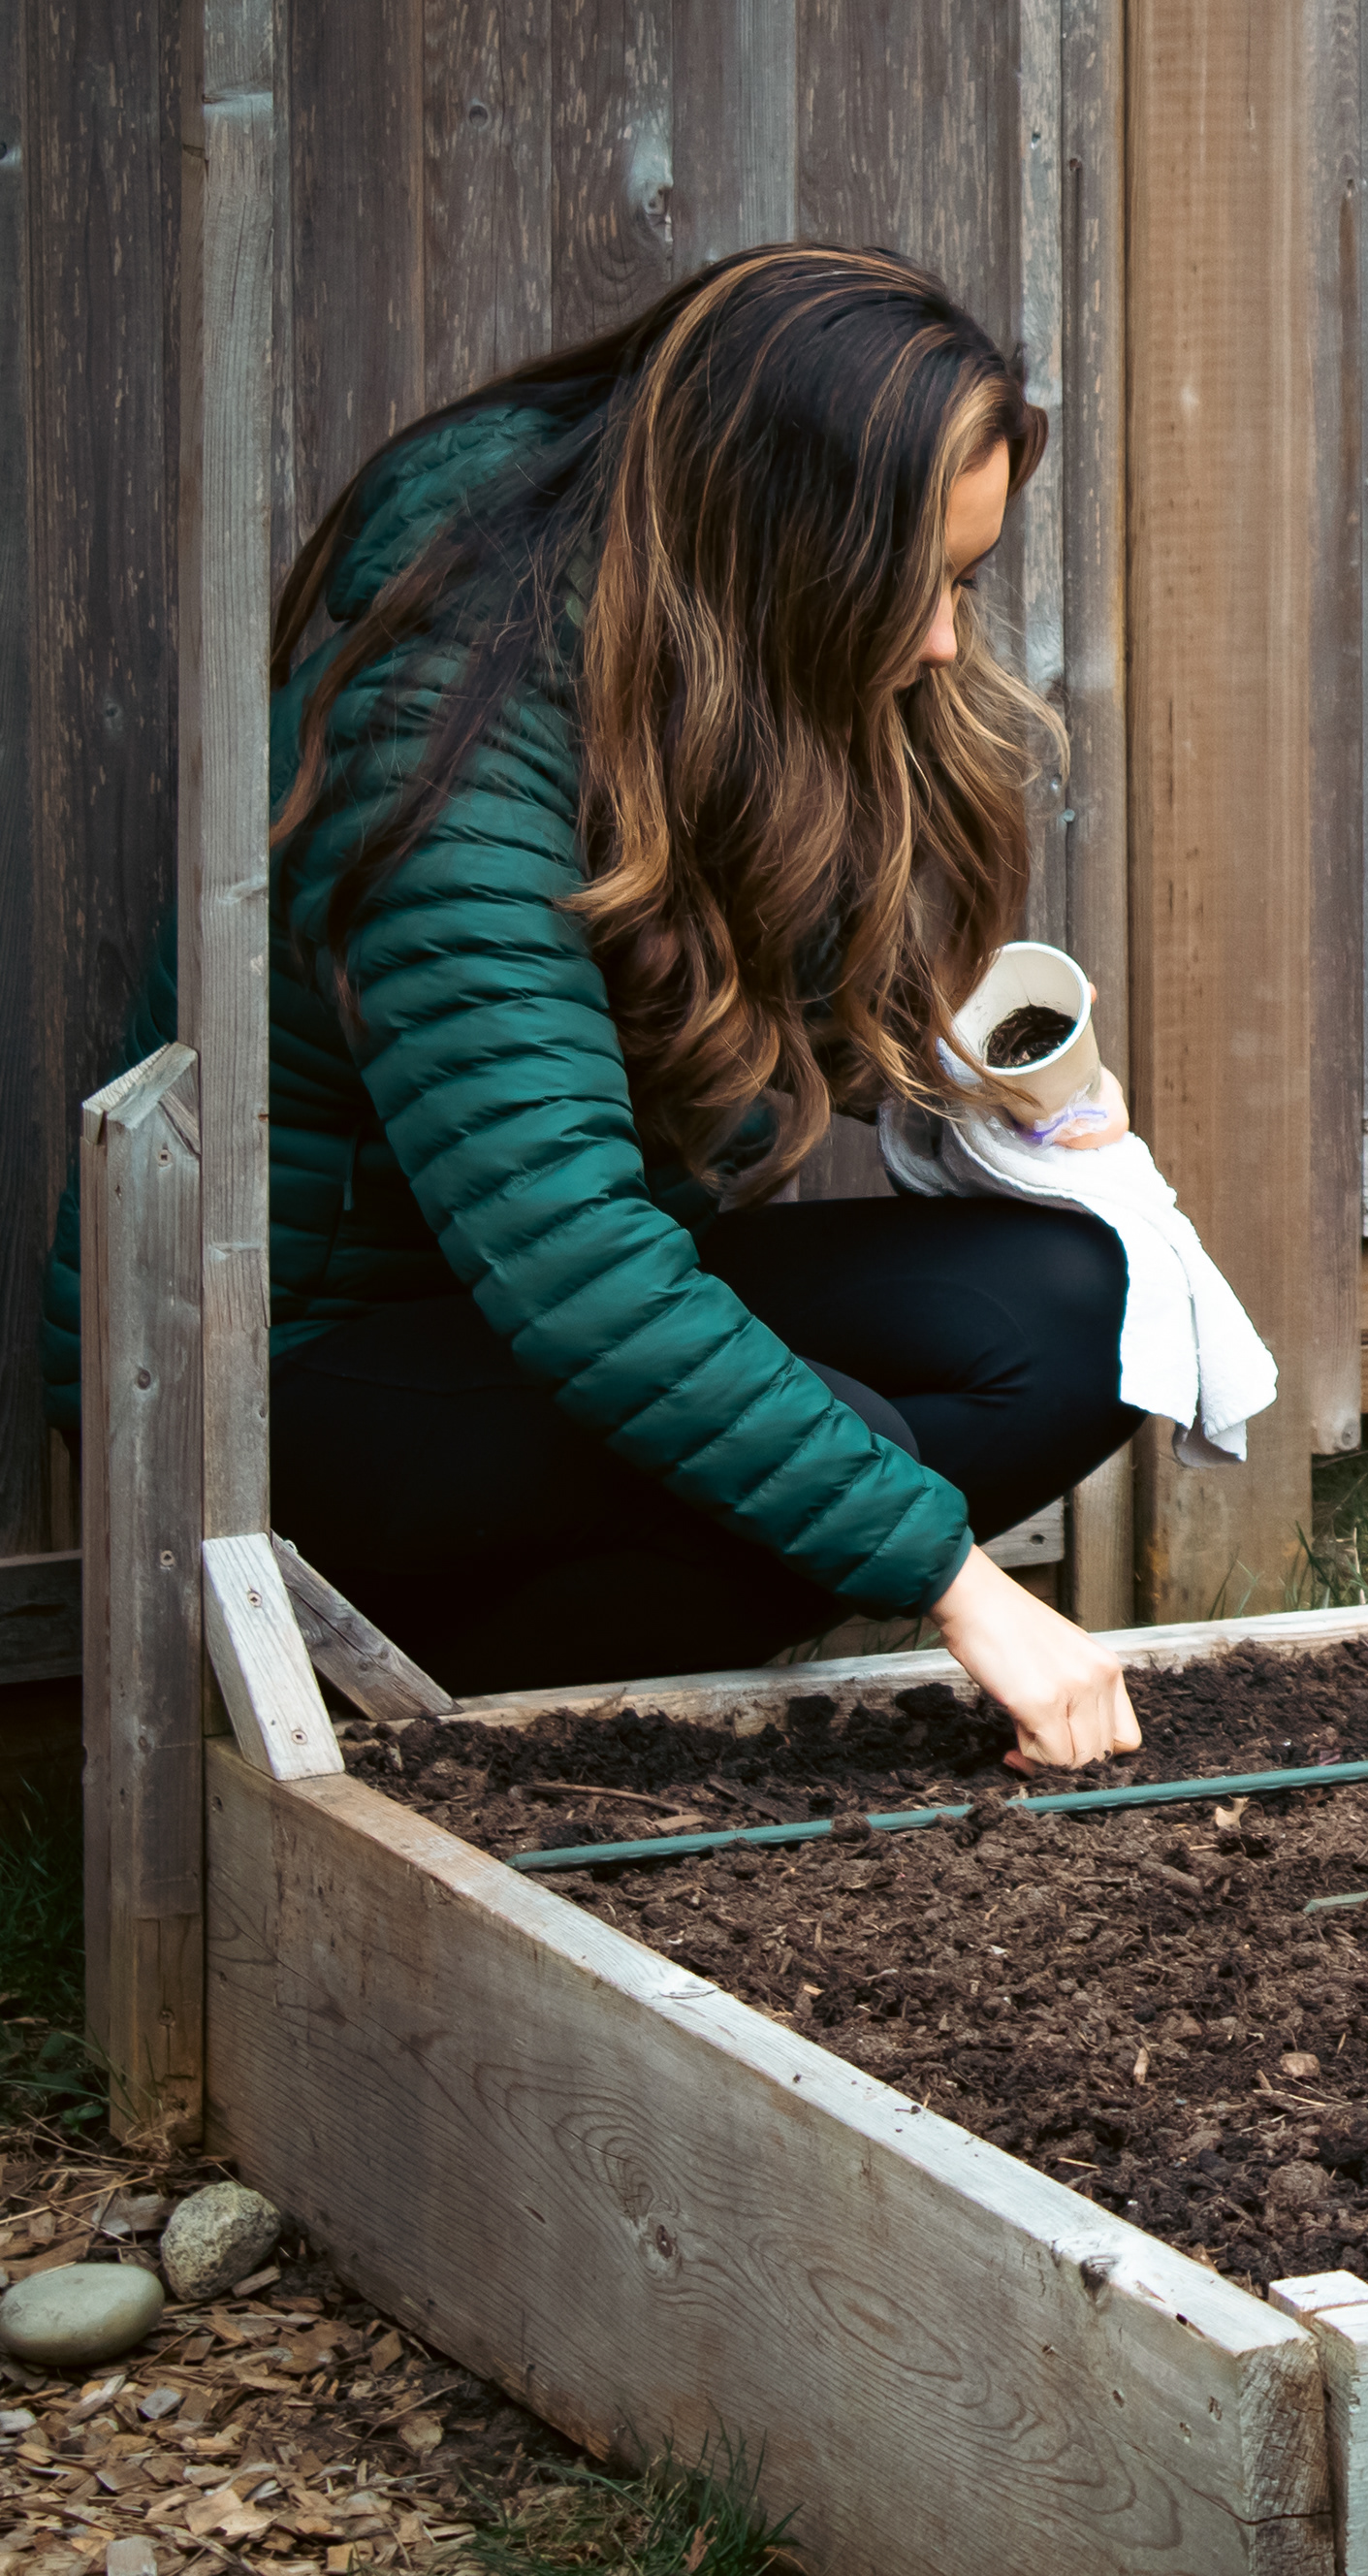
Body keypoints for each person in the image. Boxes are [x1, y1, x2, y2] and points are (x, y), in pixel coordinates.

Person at [43, 247, 1143, 1764]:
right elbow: (581, 1266)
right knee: (854, 1458)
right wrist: (954, 1581)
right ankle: (477, 1747)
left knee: (1082, 1315)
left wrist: (985, 1087)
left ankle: (569, 1681)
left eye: (962, 583)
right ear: (784, 546)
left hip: (518, 1317)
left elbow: (749, 1011)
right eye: (920, 588)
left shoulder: (693, 653)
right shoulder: (445, 752)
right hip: (275, 1374)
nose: (947, 642)